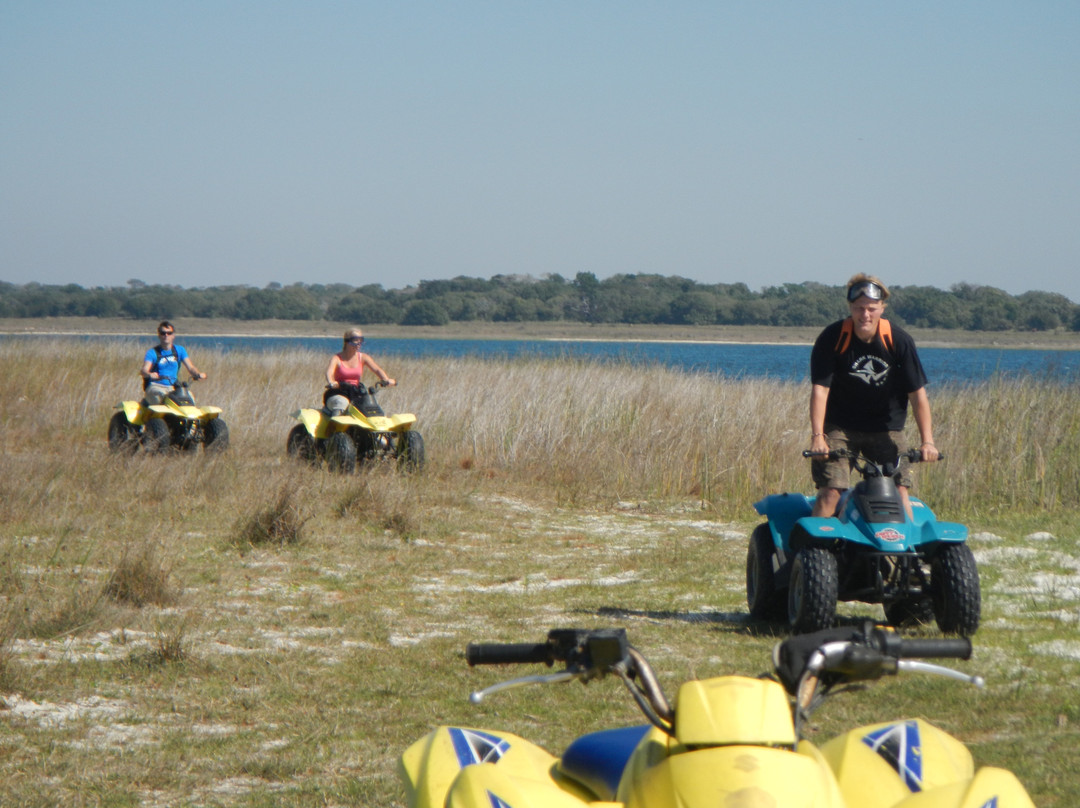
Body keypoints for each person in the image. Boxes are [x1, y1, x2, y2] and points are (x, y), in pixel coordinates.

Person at [808, 274, 939, 518]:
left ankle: (906, 555)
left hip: (885, 427)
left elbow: (918, 395)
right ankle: (810, 553)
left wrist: (927, 442)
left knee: (899, 490)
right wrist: (818, 437)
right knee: (832, 492)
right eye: (859, 308)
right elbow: (820, 390)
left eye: (871, 308)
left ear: (882, 308)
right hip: (841, 427)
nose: (865, 315)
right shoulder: (833, 338)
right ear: (851, 308)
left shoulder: (898, 340)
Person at [324, 328, 395, 413]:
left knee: (370, 408)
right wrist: (332, 382)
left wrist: (386, 379)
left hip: (355, 393)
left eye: (361, 340)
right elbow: (329, 372)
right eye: (355, 340)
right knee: (341, 403)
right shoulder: (337, 358)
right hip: (338, 392)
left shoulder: (363, 357)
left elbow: (377, 369)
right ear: (347, 341)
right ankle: (333, 424)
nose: (359, 343)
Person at [140, 320, 206, 405]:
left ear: (173, 336)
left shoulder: (180, 350)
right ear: (159, 335)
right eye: (163, 333)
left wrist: (197, 374)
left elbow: (191, 367)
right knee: (162, 399)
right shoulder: (152, 352)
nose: (166, 335)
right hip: (156, 386)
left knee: (189, 397)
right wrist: (149, 374)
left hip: (174, 387)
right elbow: (144, 370)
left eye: (169, 333)